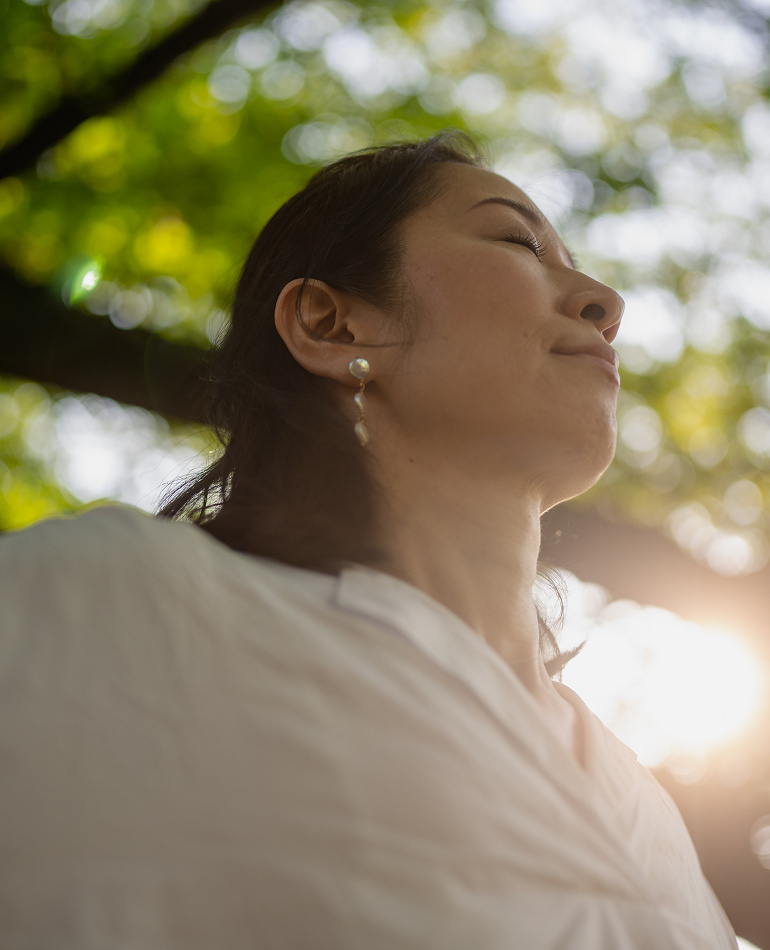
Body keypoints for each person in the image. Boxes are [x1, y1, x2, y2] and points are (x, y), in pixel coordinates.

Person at [0, 132, 737, 949]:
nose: (605, 300)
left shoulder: (651, 816)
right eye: (517, 241)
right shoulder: (109, 609)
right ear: (331, 324)